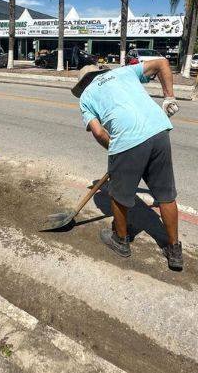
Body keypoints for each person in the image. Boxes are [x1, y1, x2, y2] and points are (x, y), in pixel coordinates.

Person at [72, 60, 183, 271]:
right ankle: (174, 250)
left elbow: (99, 132)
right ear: (99, 72)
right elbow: (162, 63)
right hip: (159, 131)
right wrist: (169, 97)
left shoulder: (86, 97)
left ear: (83, 84)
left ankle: (121, 241)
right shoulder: (124, 72)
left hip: (127, 140)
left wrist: (118, 152)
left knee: (118, 195)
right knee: (166, 195)